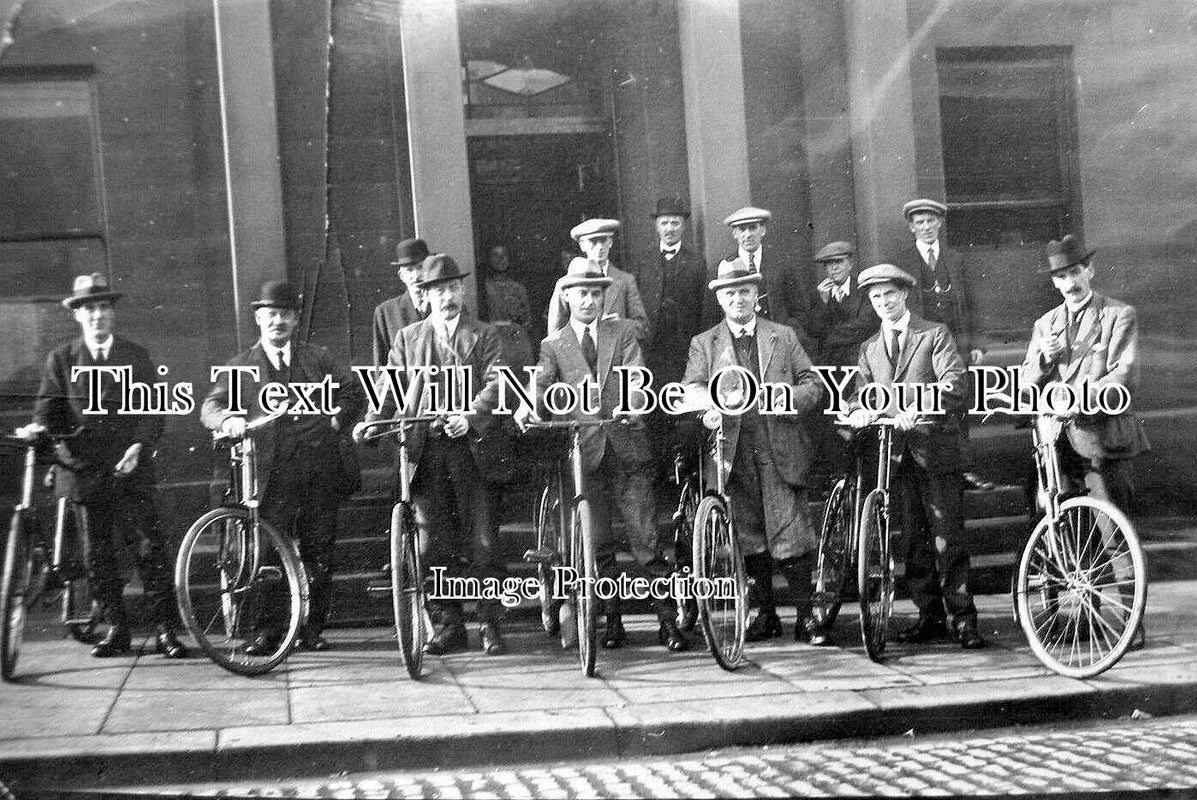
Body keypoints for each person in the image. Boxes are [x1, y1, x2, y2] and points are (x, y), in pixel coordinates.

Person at [516, 258, 689, 652]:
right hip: (584, 453)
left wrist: (633, 403)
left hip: (627, 447)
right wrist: (529, 405)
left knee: (645, 539)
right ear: (567, 296)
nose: (590, 300)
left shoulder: (623, 332)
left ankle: (666, 620)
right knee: (599, 543)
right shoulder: (554, 344)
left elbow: (636, 373)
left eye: (596, 293)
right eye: (582, 293)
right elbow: (541, 382)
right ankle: (613, 621)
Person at [17, 273, 186, 659]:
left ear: (113, 314)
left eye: (104, 308)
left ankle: (166, 631)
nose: (97, 316)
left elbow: (153, 409)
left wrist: (139, 445)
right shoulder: (61, 359)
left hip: (131, 468)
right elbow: (48, 408)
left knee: (148, 547)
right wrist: (51, 433)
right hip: (84, 471)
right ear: (78, 315)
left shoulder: (135, 355)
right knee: (98, 553)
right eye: (89, 309)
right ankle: (116, 629)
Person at [356, 255, 514, 656]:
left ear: (463, 291)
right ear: (424, 296)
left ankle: (490, 624)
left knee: (482, 542)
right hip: (426, 454)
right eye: (439, 290)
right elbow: (387, 388)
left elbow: (499, 383)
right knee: (432, 545)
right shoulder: (408, 339)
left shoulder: (485, 335)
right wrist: (371, 421)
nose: (448, 297)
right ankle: (448, 625)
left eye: (454, 288)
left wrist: (470, 415)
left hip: (472, 452)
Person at [201, 280, 364, 653]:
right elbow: (209, 407)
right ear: (259, 319)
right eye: (271, 315)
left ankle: (312, 630)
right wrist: (228, 420)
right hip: (271, 476)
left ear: (295, 319)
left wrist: (337, 419)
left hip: (320, 470)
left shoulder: (318, 358)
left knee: (319, 550)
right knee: (268, 552)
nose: (278, 321)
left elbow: (351, 391)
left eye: (285, 315)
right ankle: (268, 631)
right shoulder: (240, 366)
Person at [682, 259, 826, 645]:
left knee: (790, 530)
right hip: (731, 451)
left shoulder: (782, 336)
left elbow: (813, 384)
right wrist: (708, 408)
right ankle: (765, 614)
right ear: (720, 299)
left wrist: (787, 399)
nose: (738, 299)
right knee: (748, 536)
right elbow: (690, 388)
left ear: (756, 295)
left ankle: (806, 616)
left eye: (745, 291)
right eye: (730, 293)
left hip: (777, 444)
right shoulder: (705, 343)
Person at [845, 263, 985, 649]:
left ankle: (963, 619)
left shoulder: (933, 334)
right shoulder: (869, 348)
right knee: (913, 541)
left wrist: (919, 409)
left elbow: (955, 385)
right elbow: (861, 392)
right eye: (876, 297)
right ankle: (930, 616)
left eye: (890, 294)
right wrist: (861, 411)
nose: (884, 302)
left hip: (936, 451)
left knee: (947, 538)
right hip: (895, 456)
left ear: (904, 294)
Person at [1020, 235, 1149, 648]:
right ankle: (1074, 621)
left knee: (1116, 533)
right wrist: (1045, 360)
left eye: (1075, 272)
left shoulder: (1117, 315)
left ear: (1089, 271)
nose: (1070, 282)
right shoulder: (1046, 325)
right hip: (1057, 448)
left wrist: (1072, 399)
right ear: (1054, 282)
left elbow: (1123, 375)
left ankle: (1132, 622)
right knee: (1064, 534)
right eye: (1061, 276)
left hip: (1102, 441)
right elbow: (1025, 384)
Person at [891, 198, 993, 492]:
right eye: (920, 222)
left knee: (957, 404)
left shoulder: (956, 258)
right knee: (924, 403)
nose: (926, 227)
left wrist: (977, 343)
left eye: (931, 221)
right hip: (920, 346)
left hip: (956, 344)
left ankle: (963, 468)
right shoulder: (902, 261)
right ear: (911, 227)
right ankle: (930, 470)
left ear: (939, 223)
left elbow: (973, 301)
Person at [806, 240, 881, 484]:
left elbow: (867, 325)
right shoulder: (821, 293)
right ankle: (840, 474)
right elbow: (814, 329)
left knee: (861, 416)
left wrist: (831, 334)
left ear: (850, 263)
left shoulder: (864, 290)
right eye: (828, 265)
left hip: (859, 366)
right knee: (832, 421)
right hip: (831, 369)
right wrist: (825, 302)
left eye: (838, 263)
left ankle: (863, 475)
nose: (833, 269)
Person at [703, 206, 813, 352]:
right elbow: (711, 317)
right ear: (734, 233)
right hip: (737, 346)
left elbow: (798, 311)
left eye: (752, 228)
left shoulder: (782, 265)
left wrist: (785, 334)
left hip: (776, 345)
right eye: (742, 229)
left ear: (762, 230)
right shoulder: (721, 268)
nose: (748, 234)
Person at [546, 219, 648, 343]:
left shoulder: (626, 280)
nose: (600, 247)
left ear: (610, 242)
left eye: (603, 240)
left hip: (615, 357)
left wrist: (620, 325)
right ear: (582, 245)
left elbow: (643, 328)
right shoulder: (566, 284)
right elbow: (554, 335)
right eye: (593, 242)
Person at [372, 237, 431, 367]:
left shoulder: (445, 306)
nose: (416, 276)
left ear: (430, 270)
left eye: (420, 267)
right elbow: (381, 364)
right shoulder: (385, 312)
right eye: (409, 270)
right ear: (401, 276)